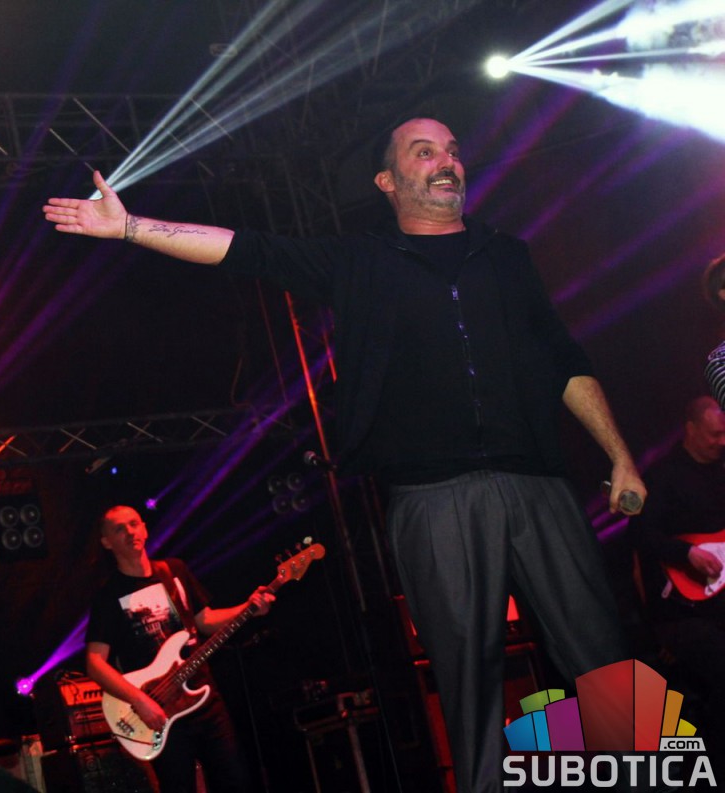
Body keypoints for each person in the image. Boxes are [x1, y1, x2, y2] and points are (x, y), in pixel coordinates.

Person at [45, 118, 646, 793]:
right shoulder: (361, 261)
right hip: (434, 496)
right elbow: (245, 249)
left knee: (605, 660)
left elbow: (563, 360)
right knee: (469, 681)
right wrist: (131, 227)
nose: (446, 161)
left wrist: (619, 455)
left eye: (452, 150)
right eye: (424, 151)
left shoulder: (507, 256)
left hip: (538, 481)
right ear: (387, 180)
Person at [85, 504, 274, 793]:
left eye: (134, 524)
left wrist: (248, 608)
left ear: (145, 529)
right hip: (159, 711)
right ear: (106, 542)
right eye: (119, 529)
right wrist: (139, 700)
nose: (130, 532)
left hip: (205, 700)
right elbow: (95, 663)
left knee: (236, 782)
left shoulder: (173, 571)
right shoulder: (108, 597)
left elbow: (205, 620)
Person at [629, 396, 725, 737]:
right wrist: (687, 553)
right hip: (681, 612)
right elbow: (641, 537)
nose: (722, 442)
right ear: (690, 429)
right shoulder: (663, 476)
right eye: (714, 434)